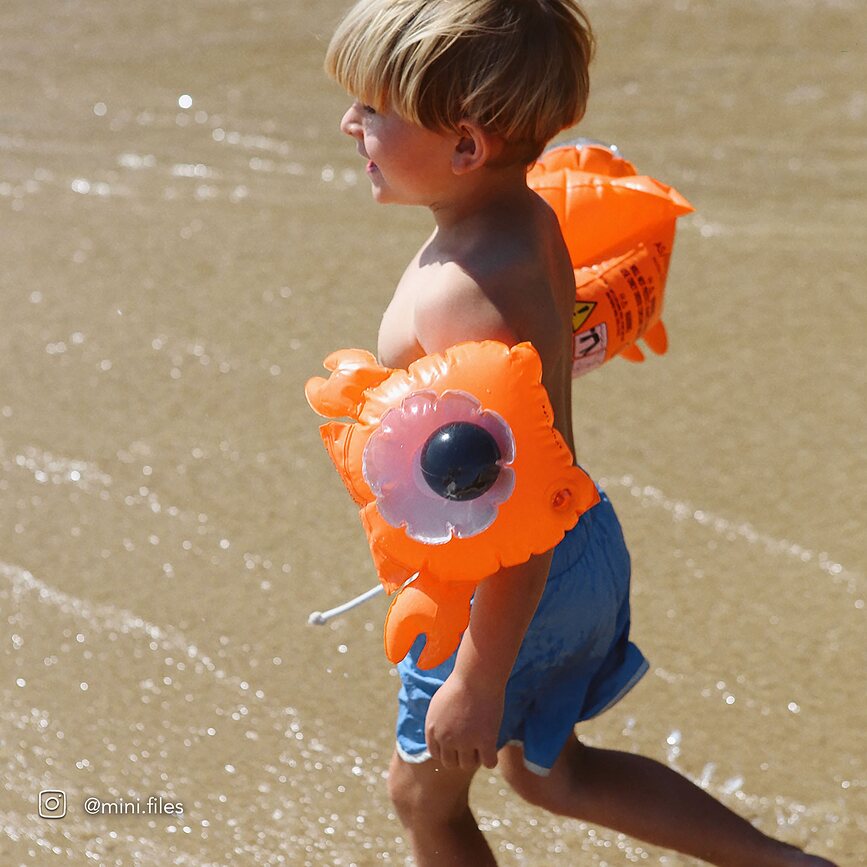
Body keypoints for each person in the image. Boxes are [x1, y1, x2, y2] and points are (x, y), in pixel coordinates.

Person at [323, 1, 837, 864]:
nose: (350, 125)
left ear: (464, 145)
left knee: (422, 799)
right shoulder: (524, 224)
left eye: (373, 110)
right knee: (551, 772)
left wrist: (478, 680)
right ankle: (786, 864)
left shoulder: (459, 294)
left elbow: (512, 513)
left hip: (511, 579)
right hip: (583, 543)